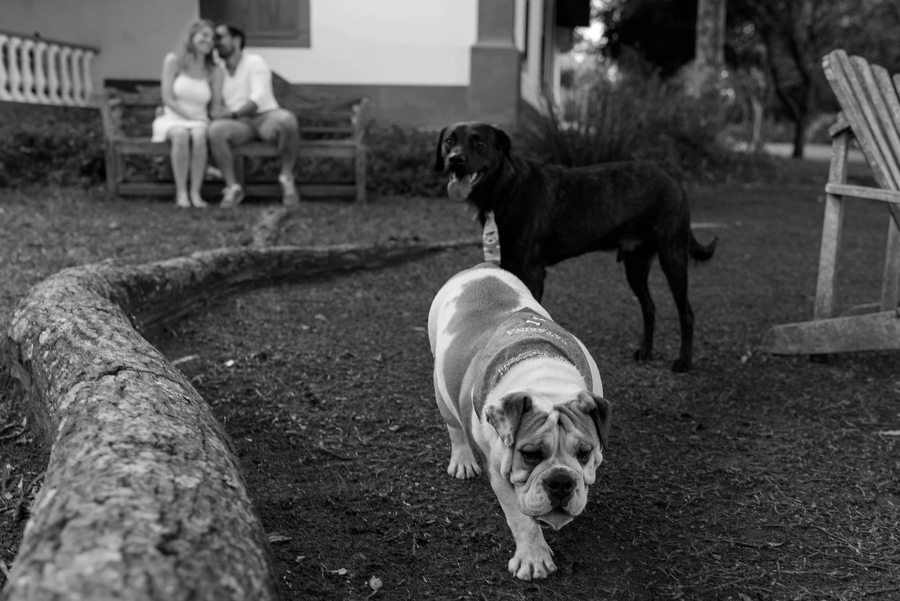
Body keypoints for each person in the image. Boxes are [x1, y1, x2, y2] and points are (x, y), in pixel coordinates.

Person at [209, 23, 300, 208]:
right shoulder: (217, 70)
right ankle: (232, 187)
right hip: (239, 124)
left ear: (236, 39)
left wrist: (233, 113)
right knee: (215, 130)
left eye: (220, 37)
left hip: (264, 117)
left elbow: (258, 98)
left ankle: (286, 177)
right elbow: (216, 102)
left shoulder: (255, 62)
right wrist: (217, 111)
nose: (215, 42)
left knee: (287, 120)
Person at [151, 19, 222, 209]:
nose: (209, 40)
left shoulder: (214, 71)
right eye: (204, 35)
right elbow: (167, 97)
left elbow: (215, 105)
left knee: (199, 136)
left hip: (199, 120)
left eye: (212, 38)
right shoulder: (173, 61)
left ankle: (195, 193)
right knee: (181, 135)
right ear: (192, 36)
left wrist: (221, 114)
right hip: (172, 117)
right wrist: (189, 117)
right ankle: (181, 192)